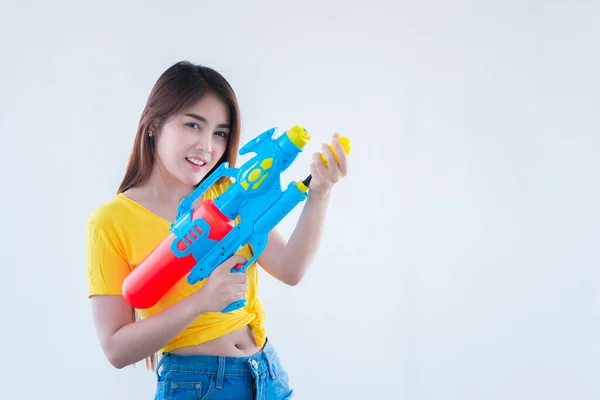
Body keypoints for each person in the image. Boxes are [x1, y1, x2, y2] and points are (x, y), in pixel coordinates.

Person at [85, 60, 349, 399]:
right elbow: (115, 349)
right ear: (154, 124)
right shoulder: (110, 221)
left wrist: (321, 192)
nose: (207, 147)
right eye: (193, 126)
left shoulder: (225, 194)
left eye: (220, 133)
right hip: (196, 385)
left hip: (266, 374)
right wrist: (201, 302)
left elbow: (290, 268)